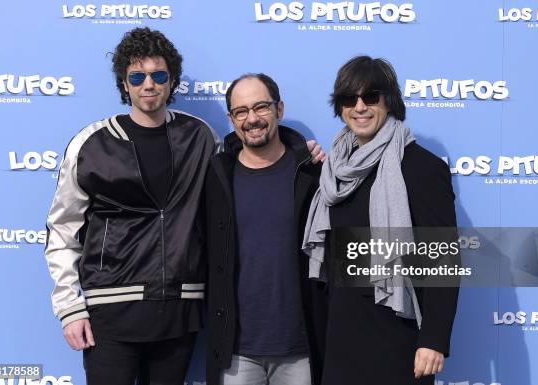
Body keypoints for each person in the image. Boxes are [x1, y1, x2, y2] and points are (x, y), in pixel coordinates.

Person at [44, 27, 218, 385]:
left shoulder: (200, 137)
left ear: (172, 81)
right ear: (124, 83)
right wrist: (68, 307)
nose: (148, 84)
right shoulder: (92, 144)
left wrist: (298, 151)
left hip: (179, 310)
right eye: (137, 76)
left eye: (158, 75)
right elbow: (63, 228)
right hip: (110, 312)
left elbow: (249, 169)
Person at [302, 56, 460, 385]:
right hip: (341, 336)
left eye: (370, 97)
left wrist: (433, 340)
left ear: (389, 101)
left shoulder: (420, 167)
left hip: (396, 334)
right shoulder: (334, 170)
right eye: (349, 98)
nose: (359, 107)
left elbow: (443, 258)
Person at [204, 73, 327, 385]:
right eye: (241, 111)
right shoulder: (217, 176)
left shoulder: (313, 173)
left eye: (261, 107)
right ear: (231, 119)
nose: (252, 119)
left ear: (279, 109)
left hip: (301, 349)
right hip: (237, 350)